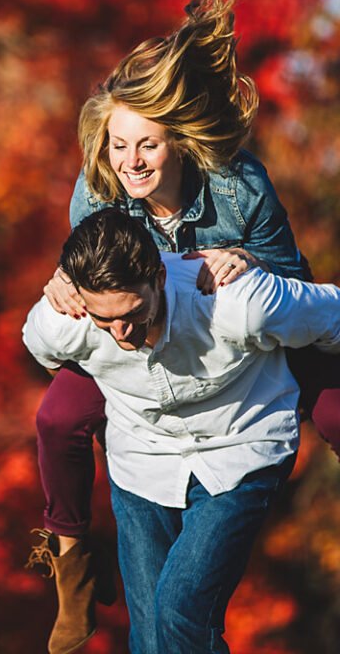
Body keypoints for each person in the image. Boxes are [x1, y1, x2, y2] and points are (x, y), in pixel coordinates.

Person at [25, 0, 340, 653]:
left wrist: (248, 265)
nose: (131, 161)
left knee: (338, 411)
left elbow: (293, 287)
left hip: (251, 332)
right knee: (58, 415)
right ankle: (72, 558)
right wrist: (62, 284)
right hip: (139, 342)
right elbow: (87, 271)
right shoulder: (97, 188)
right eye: (118, 146)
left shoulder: (237, 184)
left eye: (146, 145)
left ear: (178, 142)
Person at [23, 208, 340, 654]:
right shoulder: (64, 321)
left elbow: (333, 315)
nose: (122, 332)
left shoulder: (239, 303)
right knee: (150, 636)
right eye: (105, 320)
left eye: (133, 312)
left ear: (157, 277)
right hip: (141, 465)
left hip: (240, 450)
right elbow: (43, 350)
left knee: (182, 610)